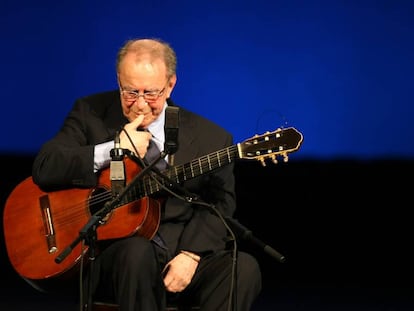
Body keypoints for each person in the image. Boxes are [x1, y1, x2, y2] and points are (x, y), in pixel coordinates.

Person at [32, 37, 262, 311]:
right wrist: (113, 149)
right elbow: (46, 166)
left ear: (170, 85)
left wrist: (191, 255)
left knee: (244, 268)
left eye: (151, 93)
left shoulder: (211, 138)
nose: (140, 105)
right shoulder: (90, 113)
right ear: (119, 80)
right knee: (136, 253)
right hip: (115, 259)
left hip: (179, 255)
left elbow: (221, 204)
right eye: (130, 92)